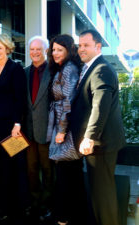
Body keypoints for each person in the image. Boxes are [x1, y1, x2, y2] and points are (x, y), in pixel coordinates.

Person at [70, 29, 125, 225]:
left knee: (103, 195)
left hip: (100, 144)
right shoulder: (91, 68)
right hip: (97, 145)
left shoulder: (101, 69)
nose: (81, 49)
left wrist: (89, 137)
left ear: (98, 47)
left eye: (86, 45)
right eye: (79, 45)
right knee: (98, 192)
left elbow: (100, 106)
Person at [46, 34, 87, 225]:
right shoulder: (64, 68)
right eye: (53, 49)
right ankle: (72, 215)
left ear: (69, 50)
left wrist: (61, 130)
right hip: (63, 125)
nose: (55, 53)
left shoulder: (69, 69)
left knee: (66, 174)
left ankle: (64, 218)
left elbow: (69, 102)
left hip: (66, 129)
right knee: (71, 173)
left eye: (59, 50)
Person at [0, 34, 29, 221]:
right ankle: (4, 206)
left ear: (7, 48)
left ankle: (18, 209)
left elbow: (20, 98)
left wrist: (17, 124)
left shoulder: (16, 69)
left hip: (13, 127)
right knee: (3, 166)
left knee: (16, 166)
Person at [23, 36, 54, 219]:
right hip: (28, 131)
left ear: (46, 50)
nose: (35, 52)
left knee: (48, 170)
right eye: (32, 49)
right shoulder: (24, 72)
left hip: (47, 131)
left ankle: (48, 205)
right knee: (31, 169)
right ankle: (34, 203)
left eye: (38, 49)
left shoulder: (54, 71)